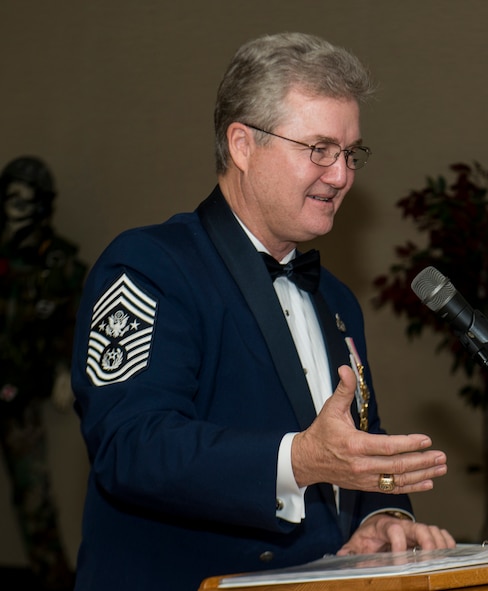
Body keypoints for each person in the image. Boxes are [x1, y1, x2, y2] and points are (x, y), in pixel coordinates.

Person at [70, 32, 454, 591]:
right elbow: (130, 447)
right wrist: (298, 460)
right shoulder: (149, 266)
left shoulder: (337, 301)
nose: (342, 175)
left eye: (350, 154)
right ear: (243, 145)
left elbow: (347, 443)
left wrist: (380, 515)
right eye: (318, 149)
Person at [0, 155, 83, 590]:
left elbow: (80, 324)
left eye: (26, 201)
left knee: (35, 502)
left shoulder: (60, 265)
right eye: (11, 199)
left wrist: (63, 371)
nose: (18, 210)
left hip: (23, 398)